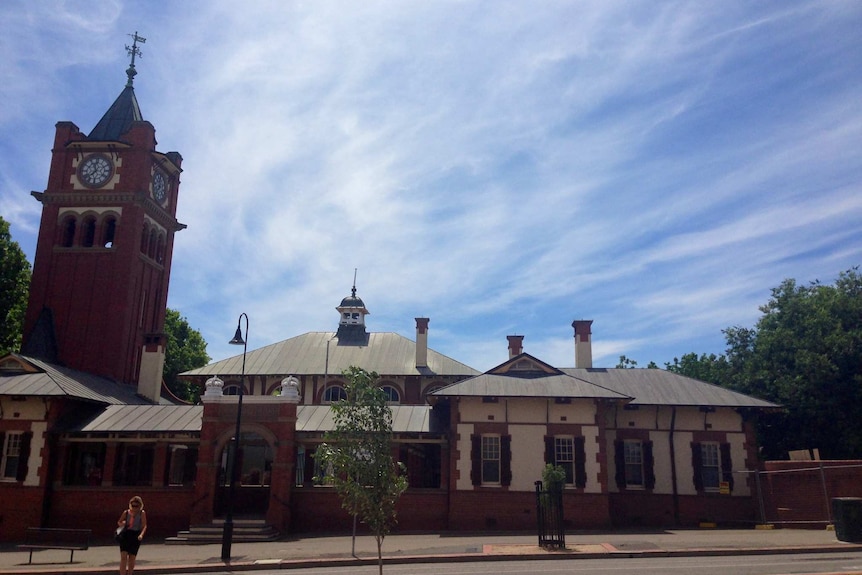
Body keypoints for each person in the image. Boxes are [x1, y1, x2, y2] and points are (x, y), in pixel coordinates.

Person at [117, 496, 147, 575]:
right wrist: (122, 523)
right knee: (123, 557)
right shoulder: (126, 512)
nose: (134, 508)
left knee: (132, 558)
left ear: (140, 506)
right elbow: (119, 522)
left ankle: (130, 573)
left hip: (135, 535)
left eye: (136, 506)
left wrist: (141, 535)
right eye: (132, 505)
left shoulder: (142, 513)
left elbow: (144, 526)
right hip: (126, 535)